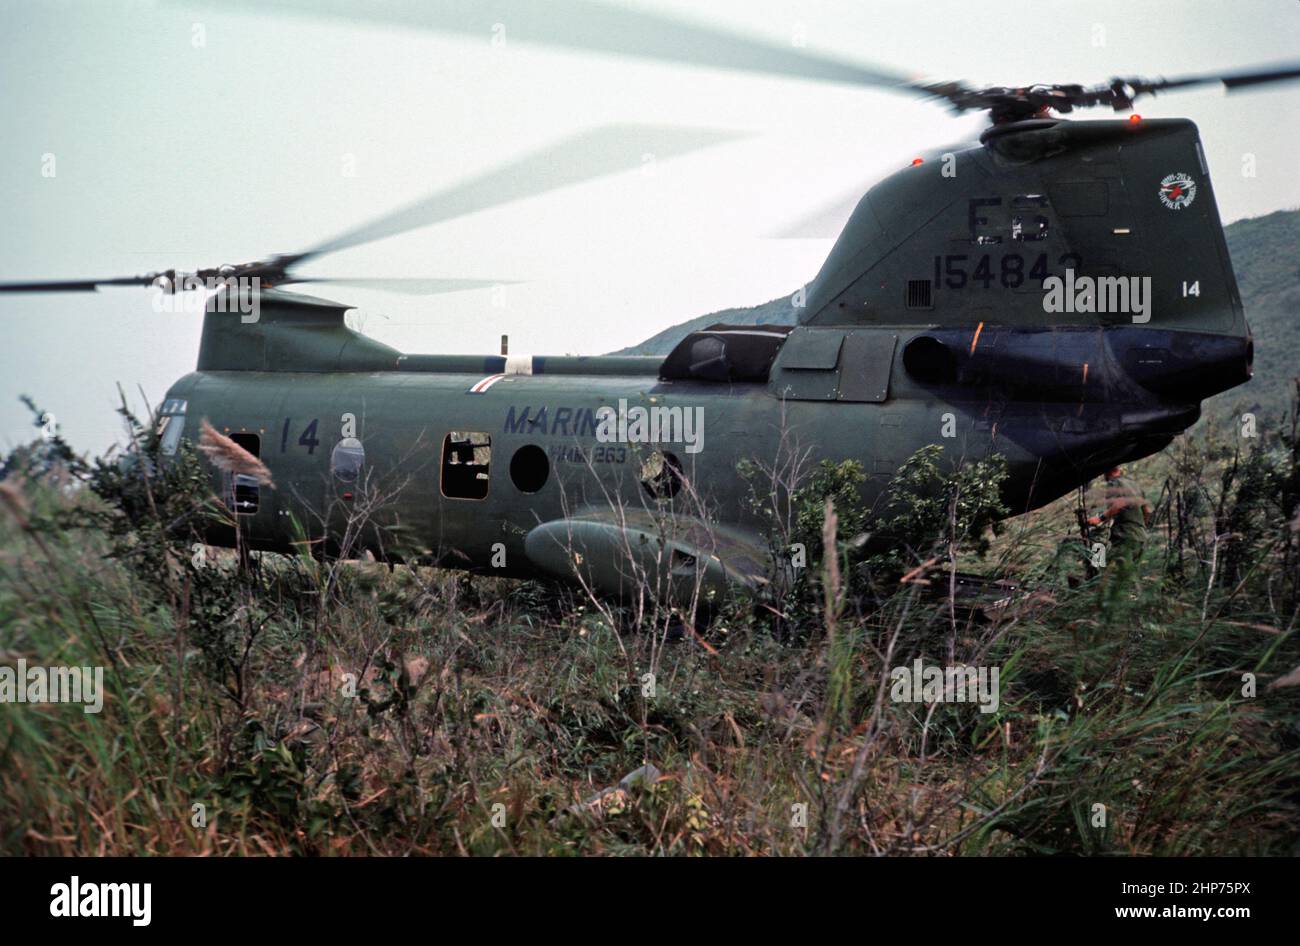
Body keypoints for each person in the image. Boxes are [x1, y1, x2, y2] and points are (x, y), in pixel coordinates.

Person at [1088, 466, 1152, 566]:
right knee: (1128, 576)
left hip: (1125, 536)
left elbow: (1119, 504)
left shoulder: (1114, 483)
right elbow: (1147, 511)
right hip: (1141, 537)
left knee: (1107, 569)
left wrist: (1099, 519)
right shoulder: (1134, 485)